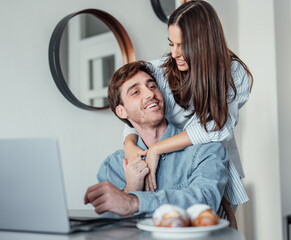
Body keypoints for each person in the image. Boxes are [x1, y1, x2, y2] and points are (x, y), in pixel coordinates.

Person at [123, 0, 253, 205]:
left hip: (210, 170)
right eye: (171, 43)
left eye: (183, 46)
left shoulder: (234, 74)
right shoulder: (160, 71)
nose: (174, 53)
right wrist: (129, 144)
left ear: (204, 43)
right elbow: (134, 108)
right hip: (167, 175)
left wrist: (157, 149)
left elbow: (216, 127)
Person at [84, 61, 228, 216]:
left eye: (152, 86)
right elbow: (107, 227)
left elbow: (205, 202)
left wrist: (134, 201)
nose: (150, 94)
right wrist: (130, 189)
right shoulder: (113, 166)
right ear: (122, 111)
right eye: (135, 92)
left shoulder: (205, 150)